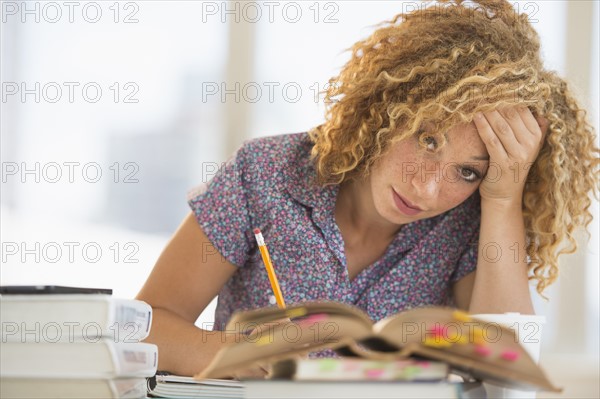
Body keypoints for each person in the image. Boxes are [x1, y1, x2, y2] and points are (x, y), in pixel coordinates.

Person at [136, 0, 599, 377]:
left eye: (468, 172)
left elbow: (508, 373)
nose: (427, 187)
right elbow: (147, 324)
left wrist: (502, 199)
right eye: (428, 139)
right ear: (389, 109)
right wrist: (225, 353)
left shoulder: (467, 224)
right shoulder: (264, 175)